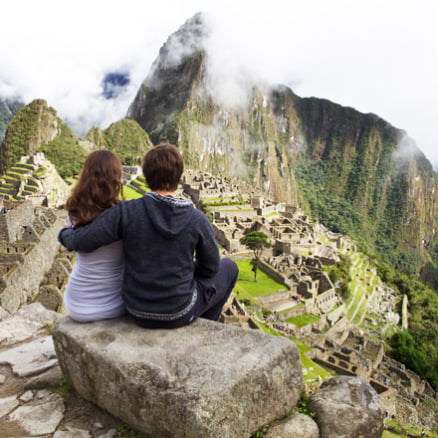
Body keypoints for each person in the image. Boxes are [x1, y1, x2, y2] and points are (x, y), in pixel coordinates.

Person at [59, 143, 238, 329]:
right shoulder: (197, 219)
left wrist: (65, 233)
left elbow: (83, 240)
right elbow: (210, 268)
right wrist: (181, 267)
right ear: (179, 176)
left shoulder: (126, 211)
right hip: (179, 312)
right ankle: (207, 329)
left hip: (136, 310)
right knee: (229, 267)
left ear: (146, 176)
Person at [63, 149, 125, 322]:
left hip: (75, 302)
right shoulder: (121, 214)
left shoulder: (73, 211)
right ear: (116, 177)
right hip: (112, 305)